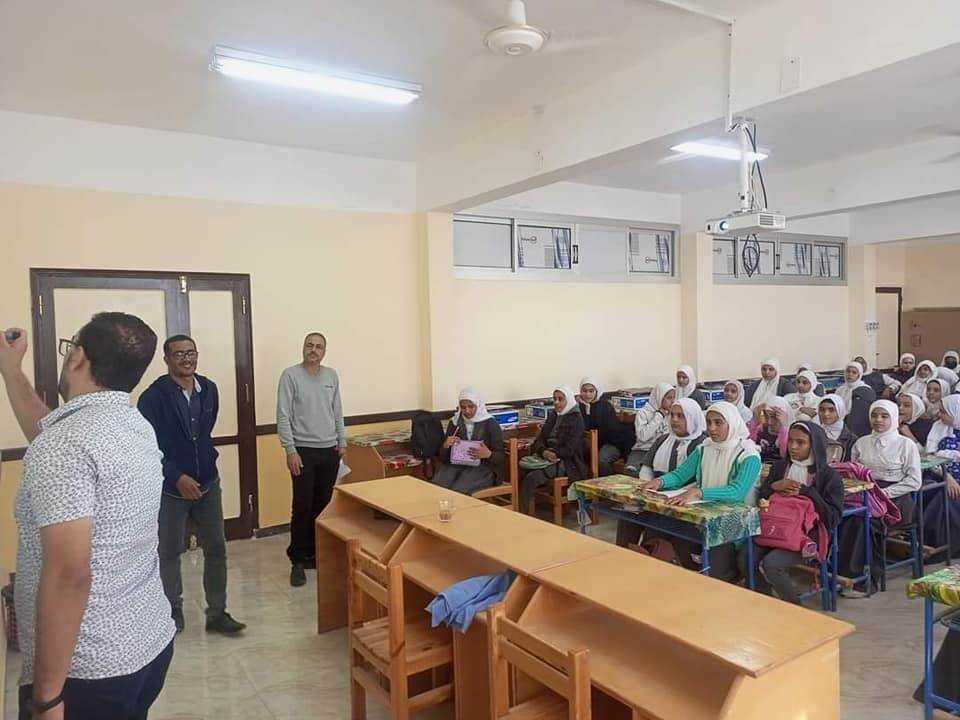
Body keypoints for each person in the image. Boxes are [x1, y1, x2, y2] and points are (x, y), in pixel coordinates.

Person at [0, 317, 175, 719]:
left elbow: (68, 576)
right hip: (147, 644)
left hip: (88, 670)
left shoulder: (64, 445)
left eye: (69, 347)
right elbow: (50, 437)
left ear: (78, 357)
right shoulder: (133, 425)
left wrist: (47, 698)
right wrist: (11, 371)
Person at [138, 336, 246, 636]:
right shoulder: (152, 398)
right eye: (179, 354)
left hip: (208, 484)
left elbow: (203, 435)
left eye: (191, 353)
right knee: (170, 552)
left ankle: (217, 614)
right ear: (166, 359)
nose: (187, 359)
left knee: (216, 550)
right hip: (172, 490)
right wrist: (176, 477)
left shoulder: (208, 389)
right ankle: (172, 612)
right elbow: (149, 449)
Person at [638, 401, 762, 581]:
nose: (711, 428)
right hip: (702, 516)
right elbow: (681, 475)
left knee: (714, 573)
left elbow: (736, 492)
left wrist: (699, 492)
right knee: (668, 539)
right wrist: (660, 481)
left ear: (732, 423)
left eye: (718, 423)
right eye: (708, 422)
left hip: (733, 523)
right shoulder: (705, 448)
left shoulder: (748, 455)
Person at [277, 332, 347, 588]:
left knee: (323, 505)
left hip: (329, 450)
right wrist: (290, 450)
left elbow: (337, 411)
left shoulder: (331, 376)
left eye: (318, 347)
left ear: (324, 352)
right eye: (309, 345)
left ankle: (317, 555)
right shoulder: (290, 376)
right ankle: (297, 559)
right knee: (303, 506)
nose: (313, 350)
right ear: (303, 348)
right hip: (302, 451)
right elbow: (283, 415)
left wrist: (342, 441)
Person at [753, 421, 843, 604]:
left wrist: (808, 492)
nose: (793, 447)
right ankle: (765, 599)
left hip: (808, 536)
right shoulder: (780, 468)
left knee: (772, 564)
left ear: (814, 445)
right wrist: (773, 487)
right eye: (790, 441)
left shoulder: (828, 476)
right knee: (745, 557)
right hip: (774, 529)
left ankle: (794, 609)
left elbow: (833, 518)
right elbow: (762, 500)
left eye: (801, 442)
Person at [837, 400, 922, 588]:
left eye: (884, 416)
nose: (878, 420)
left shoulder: (906, 445)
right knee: (841, 516)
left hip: (895, 500)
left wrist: (883, 493)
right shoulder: (862, 442)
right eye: (874, 415)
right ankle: (840, 573)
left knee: (862, 522)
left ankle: (865, 579)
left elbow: (915, 481)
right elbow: (853, 473)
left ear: (894, 418)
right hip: (865, 494)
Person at [617, 399, 706, 545]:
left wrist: (668, 494)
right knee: (628, 514)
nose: (674, 420)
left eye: (681, 416)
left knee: (657, 526)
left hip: (682, 498)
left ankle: (648, 552)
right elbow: (647, 467)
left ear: (693, 418)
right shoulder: (663, 439)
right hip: (656, 493)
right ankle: (623, 552)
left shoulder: (702, 445)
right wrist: (647, 490)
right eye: (672, 415)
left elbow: (697, 480)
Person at [519, 386, 588, 513]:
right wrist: (543, 451)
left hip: (567, 462)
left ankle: (521, 514)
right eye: (554, 399)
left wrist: (553, 453)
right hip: (546, 457)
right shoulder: (553, 416)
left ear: (568, 400)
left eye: (560, 399)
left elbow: (569, 450)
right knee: (519, 471)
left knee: (532, 478)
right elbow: (539, 441)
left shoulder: (576, 419)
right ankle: (522, 510)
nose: (556, 402)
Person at [434, 387, 504, 494]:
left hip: (483, 468)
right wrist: (446, 446)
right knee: (437, 486)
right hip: (456, 465)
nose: (467, 411)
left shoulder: (490, 424)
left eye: (471, 406)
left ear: (478, 405)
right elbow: (443, 457)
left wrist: (488, 454)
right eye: (463, 407)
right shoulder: (455, 422)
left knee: (458, 490)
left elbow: (501, 458)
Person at [920, 394, 960, 559]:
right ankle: (934, 546)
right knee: (939, 492)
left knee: (948, 498)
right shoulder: (938, 426)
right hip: (940, 474)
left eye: (944, 412)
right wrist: (947, 476)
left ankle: (946, 549)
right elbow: (930, 456)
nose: (939, 415)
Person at [577, 377, 632, 476]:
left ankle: (608, 482)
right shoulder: (579, 407)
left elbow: (606, 431)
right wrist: (587, 411)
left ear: (597, 391)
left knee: (601, 460)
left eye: (591, 391)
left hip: (612, 443)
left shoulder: (605, 406)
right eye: (584, 391)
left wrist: (588, 413)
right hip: (591, 444)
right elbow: (582, 430)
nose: (587, 394)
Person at [623, 383, 675, 474]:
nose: (673, 401)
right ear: (659, 397)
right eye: (669, 398)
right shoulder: (643, 413)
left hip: (662, 451)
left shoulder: (673, 415)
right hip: (643, 450)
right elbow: (643, 437)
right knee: (631, 471)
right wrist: (659, 416)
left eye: (674, 398)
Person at [816, 394, 857, 462]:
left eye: (831, 410)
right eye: (822, 410)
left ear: (840, 411)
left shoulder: (851, 439)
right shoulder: (814, 433)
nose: (826, 414)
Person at [748, 396, 790, 461]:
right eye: (767, 416)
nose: (770, 422)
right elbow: (748, 448)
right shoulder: (761, 429)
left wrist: (783, 428)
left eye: (774, 417)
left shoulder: (790, 433)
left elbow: (784, 455)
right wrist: (754, 421)